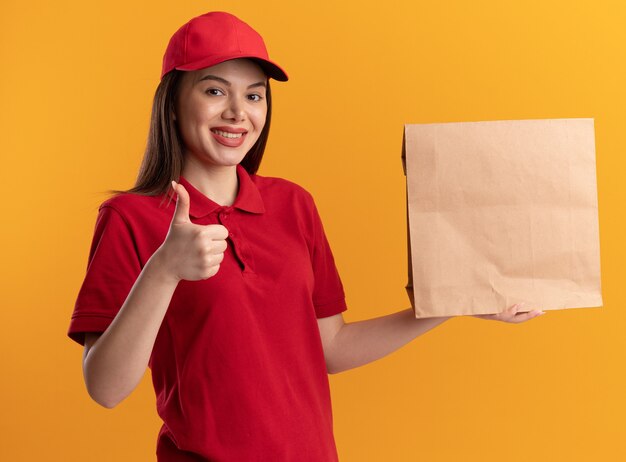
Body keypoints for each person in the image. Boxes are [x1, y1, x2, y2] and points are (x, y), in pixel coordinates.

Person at [67, 11, 544, 461]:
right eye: (215, 91)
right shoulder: (131, 217)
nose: (238, 112)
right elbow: (105, 388)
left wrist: (454, 302)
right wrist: (164, 270)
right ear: (172, 103)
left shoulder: (293, 205)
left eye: (254, 96)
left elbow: (331, 348)